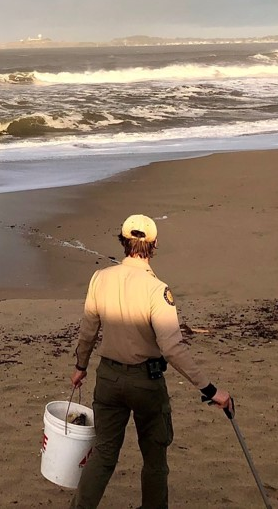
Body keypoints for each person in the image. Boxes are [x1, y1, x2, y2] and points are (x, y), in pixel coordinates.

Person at [69, 214, 231, 509]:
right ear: (154, 244)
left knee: (104, 455)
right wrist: (210, 389)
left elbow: (88, 330)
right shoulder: (158, 289)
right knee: (155, 459)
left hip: (108, 379)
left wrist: (80, 367)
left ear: (122, 241)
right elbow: (172, 348)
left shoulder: (100, 278)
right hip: (146, 382)